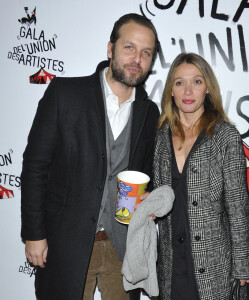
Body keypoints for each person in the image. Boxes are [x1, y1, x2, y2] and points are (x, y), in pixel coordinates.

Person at [21, 13, 160, 300]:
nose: (137, 58)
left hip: (121, 247)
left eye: (146, 52)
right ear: (110, 49)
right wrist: (34, 234)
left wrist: (151, 197)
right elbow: (35, 167)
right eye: (129, 47)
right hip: (66, 244)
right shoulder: (65, 93)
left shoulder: (150, 112)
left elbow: (148, 173)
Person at [153, 53, 249, 300]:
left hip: (213, 266)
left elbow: (237, 206)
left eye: (197, 82)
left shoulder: (224, 136)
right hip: (170, 264)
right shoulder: (160, 138)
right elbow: (159, 198)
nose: (188, 90)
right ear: (171, 91)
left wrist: (243, 264)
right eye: (179, 83)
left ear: (207, 88)